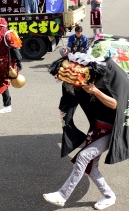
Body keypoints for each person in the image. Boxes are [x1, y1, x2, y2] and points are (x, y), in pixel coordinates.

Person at [43, 79, 118, 210]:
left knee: (83, 157)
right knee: (91, 167)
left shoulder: (107, 80)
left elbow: (115, 104)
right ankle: (109, 195)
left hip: (110, 131)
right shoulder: (82, 87)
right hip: (96, 129)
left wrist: (95, 91)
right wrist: (72, 82)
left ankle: (62, 195)